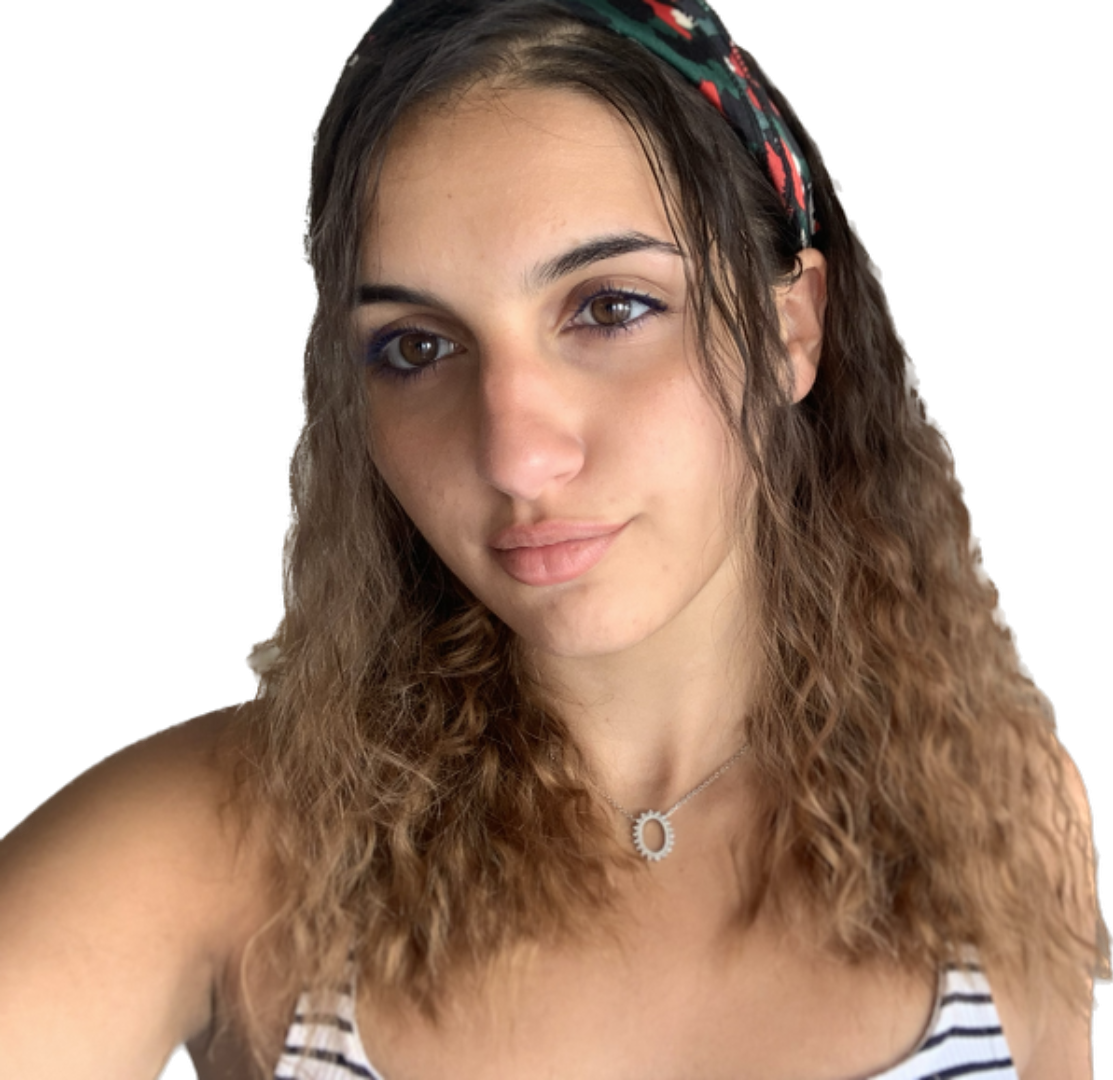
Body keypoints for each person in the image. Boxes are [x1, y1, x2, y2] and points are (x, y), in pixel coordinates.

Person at [1, 2, 1107, 1078]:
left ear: (789, 331)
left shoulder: (1004, 806)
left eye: (611, 307)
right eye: (417, 347)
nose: (516, 457)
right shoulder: (210, 849)